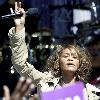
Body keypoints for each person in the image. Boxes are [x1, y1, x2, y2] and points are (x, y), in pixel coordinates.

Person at [8, 1, 100, 100]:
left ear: (80, 63)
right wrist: (19, 27)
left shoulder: (91, 92)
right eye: (65, 56)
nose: (70, 59)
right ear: (58, 62)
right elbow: (20, 64)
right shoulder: (43, 80)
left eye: (74, 57)